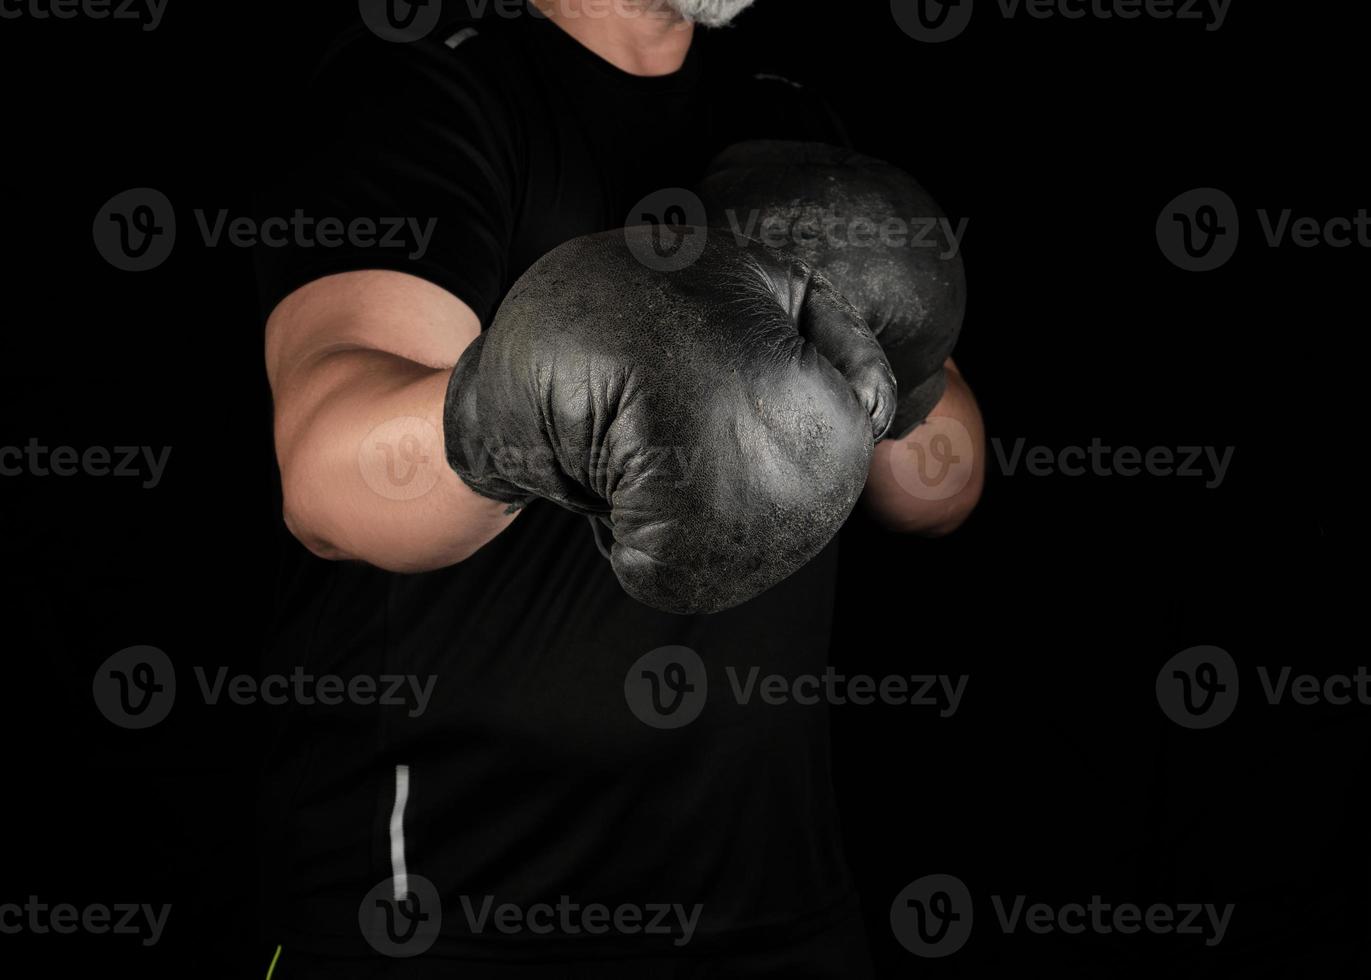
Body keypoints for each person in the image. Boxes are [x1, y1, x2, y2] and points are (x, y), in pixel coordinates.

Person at [254, 1, 983, 975]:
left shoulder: (785, 114)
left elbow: (942, 486)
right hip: (458, 906)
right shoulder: (428, 83)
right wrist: (505, 417)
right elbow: (323, 465)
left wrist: (907, 359)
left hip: (774, 902)